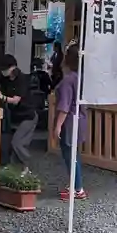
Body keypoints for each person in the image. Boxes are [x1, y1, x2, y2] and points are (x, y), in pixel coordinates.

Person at [0, 54, 37, 167]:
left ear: (13, 67)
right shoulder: (4, 79)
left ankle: (27, 166)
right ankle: (14, 168)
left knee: (18, 143)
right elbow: (1, 92)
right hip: (14, 116)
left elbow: (16, 100)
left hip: (28, 116)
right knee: (9, 144)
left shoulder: (22, 79)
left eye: (5, 69)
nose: (3, 71)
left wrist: (1, 97)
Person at [52, 43, 87, 200]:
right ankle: (75, 184)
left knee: (70, 155)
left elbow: (64, 106)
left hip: (69, 121)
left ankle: (78, 188)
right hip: (81, 118)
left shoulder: (68, 80)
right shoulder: (82, 78)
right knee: (75, 154)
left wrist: (58, 126)